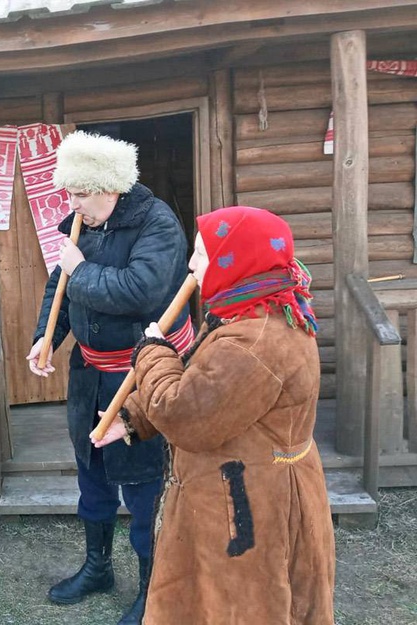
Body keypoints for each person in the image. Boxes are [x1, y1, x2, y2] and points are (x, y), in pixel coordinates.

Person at [94, 206, 336, 624]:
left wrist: (152, 350)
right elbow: (207, 388)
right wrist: (133, 417)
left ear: (237, 259)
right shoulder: (250, 311)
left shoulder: (252, 339)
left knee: (242, 607)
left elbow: (187, 414)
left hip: (249, 507)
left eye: (202, 254)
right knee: (210, 601)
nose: (191, 264)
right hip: (232, 491)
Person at [26, 131, 193, 624]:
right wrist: (45, 336)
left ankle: (151, 588)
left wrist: (78, 272)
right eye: (69, 193)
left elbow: (140, 291)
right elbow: (59, 285)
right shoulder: (83, 221)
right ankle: (97, 568)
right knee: (92, 476)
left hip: (140, 375)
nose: (72, 203)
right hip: (89, 374)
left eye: (80, 193)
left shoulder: (157, 223)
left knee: (143, 487)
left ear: (109, 186)